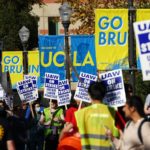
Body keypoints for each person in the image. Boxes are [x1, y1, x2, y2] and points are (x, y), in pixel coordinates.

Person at [75, 81, 119, 150]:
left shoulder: (80, 113)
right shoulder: (113, 112)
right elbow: (118, 135)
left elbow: (75, 135)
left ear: (89, 95)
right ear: (104, 95)